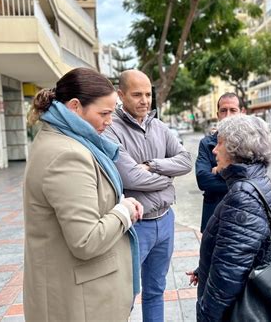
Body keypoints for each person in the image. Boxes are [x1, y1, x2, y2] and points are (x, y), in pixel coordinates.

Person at [23, 67, 143, 321]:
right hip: (82, 302)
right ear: (75, 106)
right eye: (104, 113)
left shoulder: (62, 141)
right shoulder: (67, 155)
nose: (109, 121)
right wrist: (124, 211)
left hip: (80, 295)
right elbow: (86, 240)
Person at [104, 69, 192, 322]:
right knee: (126, 294)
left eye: (147, 94)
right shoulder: (111, 129)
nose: (144, 100)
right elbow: (131, 178)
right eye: (136, 95)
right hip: (135, 225)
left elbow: (186, 161)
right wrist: (168, 179)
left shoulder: (159, 126)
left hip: (165, 221)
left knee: (156, 290)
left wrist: (153, 165)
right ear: (121, 95)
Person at [187, 114, 271, 321]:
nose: (214, 149)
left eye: (220, 143)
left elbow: (227, 278)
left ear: (235, 148)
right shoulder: (258, 183)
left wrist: (206, 316)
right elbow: (236, 253)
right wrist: (204, 268)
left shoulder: (242, 197)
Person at [195, 92, 245, 232]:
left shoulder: (250, 143)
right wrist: (237, 177)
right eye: (223, 110)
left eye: (233, 110)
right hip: (213, 219)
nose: (227, 115)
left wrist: (219, 170)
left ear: (241, 113)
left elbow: (252, 177)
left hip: (242, 217)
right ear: (218, 114)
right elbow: (203, 180)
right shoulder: (206, 143)